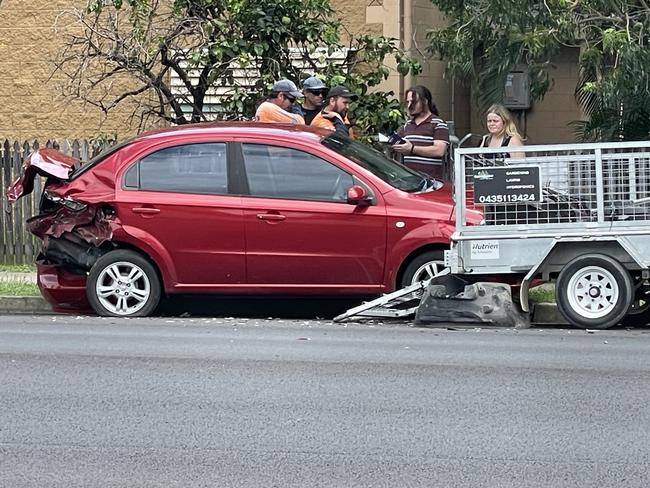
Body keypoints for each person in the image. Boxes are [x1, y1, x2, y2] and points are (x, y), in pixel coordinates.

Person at [392, 85, 450, 179]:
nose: (410, 105)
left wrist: (412, 149)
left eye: (414, 102)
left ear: (425, 101)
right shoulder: (407, 125)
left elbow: (439, 151)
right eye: (408, 102)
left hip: (431, 183)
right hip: (410, 182)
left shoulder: (438, 123)